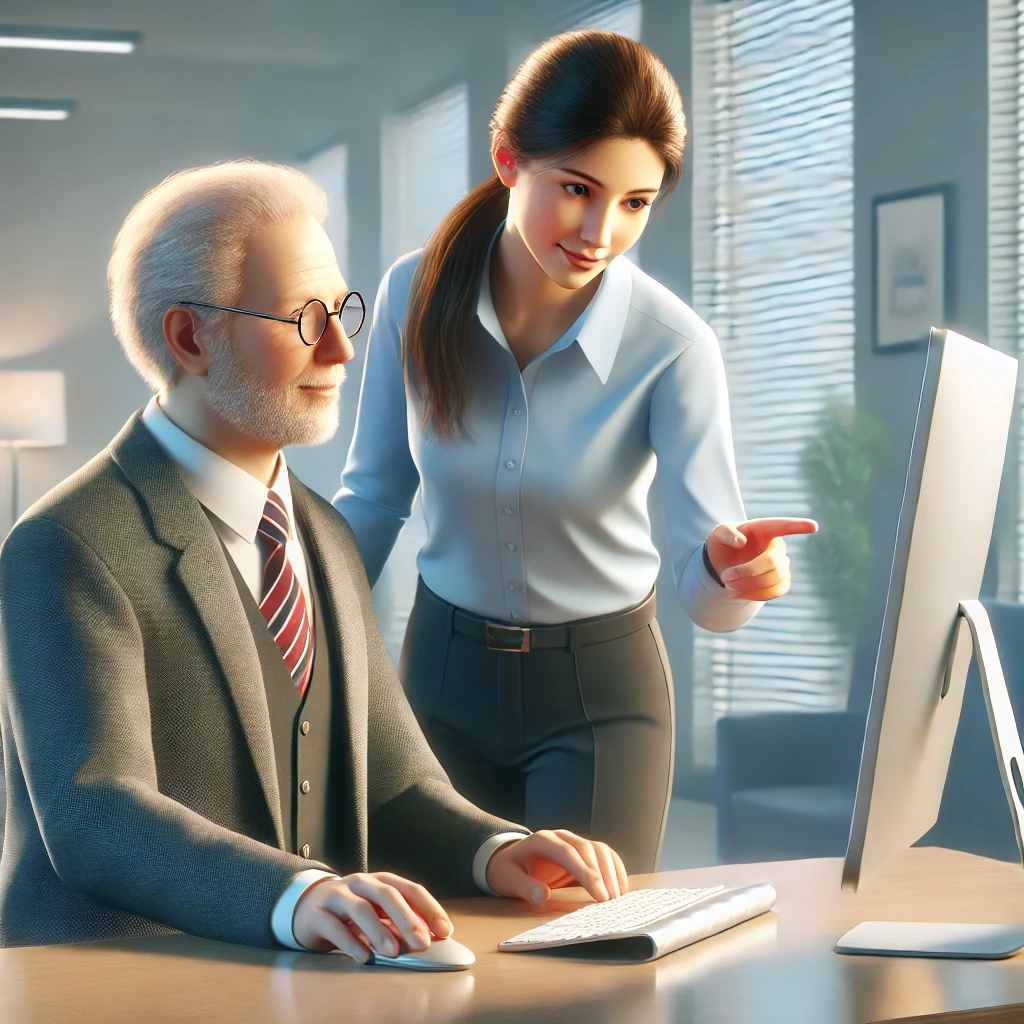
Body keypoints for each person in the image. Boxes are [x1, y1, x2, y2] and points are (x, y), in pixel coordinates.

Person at [0, 159, 628, 956]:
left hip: (306, 991)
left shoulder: (324, 533)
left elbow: (395, 782)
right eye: (303, 319)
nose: (340, 350)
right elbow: (94, 809)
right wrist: (295, 896)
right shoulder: (66, 544)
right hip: (120, 989)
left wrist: (495, 850)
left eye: (343, 312)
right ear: (190, 338)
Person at [334, 31, 817, 873]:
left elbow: (705, 592)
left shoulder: (673, 347)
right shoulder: (416, 293)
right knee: (431, 949)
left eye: (636, 202)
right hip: (441, 682)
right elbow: (373, 498)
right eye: (578, 189)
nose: (601, 230)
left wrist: (735, 573)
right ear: (509, 160)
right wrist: (289, 622)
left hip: (601, 698)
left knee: (588, 963)